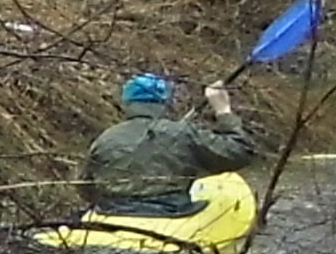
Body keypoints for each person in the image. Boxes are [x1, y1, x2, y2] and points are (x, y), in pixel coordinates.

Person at [78, 69, 260, 215]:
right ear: (164, 102)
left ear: (126, 103)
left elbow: (86, 188)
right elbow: (239, 152)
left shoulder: (106, 137)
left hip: (112, 212)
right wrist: (223, 111)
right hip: (171, 213)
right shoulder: (183, 133)